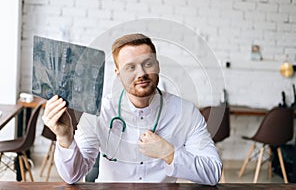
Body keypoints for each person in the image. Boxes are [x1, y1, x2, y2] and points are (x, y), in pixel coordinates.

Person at [42, 33, 222, 185]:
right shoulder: (100, 111)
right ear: (118, 74)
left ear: (158, 66)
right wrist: (64, 137)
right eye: (130, 67)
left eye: (148, 64)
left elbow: (213, 173)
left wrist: (169, 153)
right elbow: (72, 176)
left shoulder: (186, 112)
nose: (141, 73)